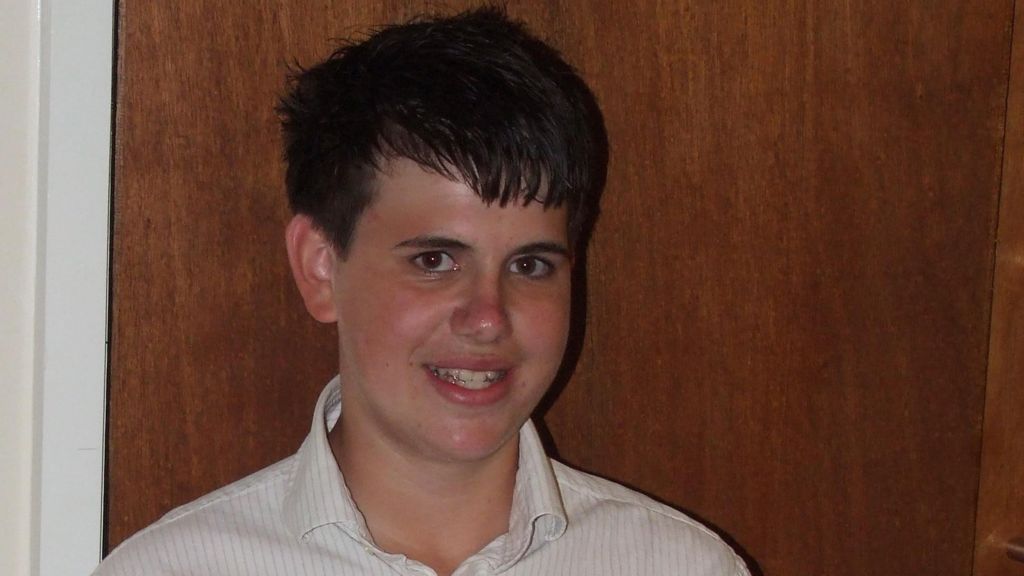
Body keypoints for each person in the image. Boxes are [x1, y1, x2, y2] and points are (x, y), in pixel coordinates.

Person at [93, 7, 750, 576]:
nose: (489, 318)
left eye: (530, 266)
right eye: (435, 260)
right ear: (321, 267)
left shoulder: (680, 565)